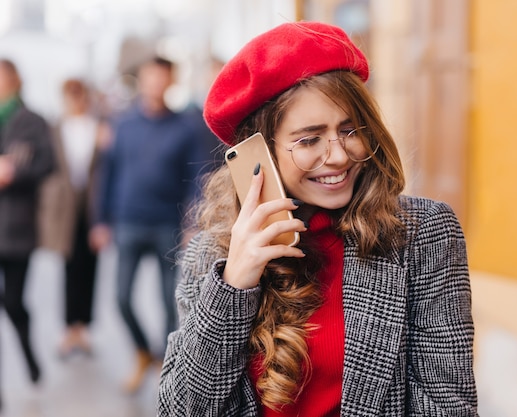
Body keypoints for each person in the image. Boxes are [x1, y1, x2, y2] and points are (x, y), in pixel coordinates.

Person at [158, 21, 479, 416]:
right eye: (309, 139)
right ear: (260, 154)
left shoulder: (423, 234)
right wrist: (234, 284)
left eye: (350, 130)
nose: (340, 155)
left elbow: (447, 405)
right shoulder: (211, 256)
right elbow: (180, 410)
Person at [91, 56, 213, 394]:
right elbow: (107, 173)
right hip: (128, 221)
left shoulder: (186, 126)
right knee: (121, 298)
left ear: (170, 81)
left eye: (163, 78)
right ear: (142, 80)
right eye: (151, 78)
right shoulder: (122, 124)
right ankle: (143, 353)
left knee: (169, 303)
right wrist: (100, 220)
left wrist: (192, 221)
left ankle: (167, 368)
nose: (157, 84)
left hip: (167, 225)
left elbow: (196, 178)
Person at [38, 78, 110, 358]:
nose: (75, 100)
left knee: (90, 266)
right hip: (66, 208)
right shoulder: (55, 129)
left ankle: (83, 328)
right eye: (70, 95)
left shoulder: (99, 128)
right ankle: (69, 328)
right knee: (69, 267)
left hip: (91, 206)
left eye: (79, 95)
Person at [0, 59, 55, 387]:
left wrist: (14, 172)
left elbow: (47, 163)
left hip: (16, 227)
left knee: (14, 301)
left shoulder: (32, 121)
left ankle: (29, 356)